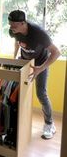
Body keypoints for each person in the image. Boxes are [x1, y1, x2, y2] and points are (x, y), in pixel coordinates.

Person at [8, 9, 60, 139]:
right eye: (10, 25)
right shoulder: (14, 31)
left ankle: (49, 124)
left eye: (14, 25)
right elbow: (16, 42)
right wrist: (14, 58)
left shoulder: (38, 33)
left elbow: (56, 52)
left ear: (23, 23)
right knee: (15, 89)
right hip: (25, 61)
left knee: (41, 94)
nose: (11, 28)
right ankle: (18, 123)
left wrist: (40, 68)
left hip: (41, 63)